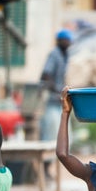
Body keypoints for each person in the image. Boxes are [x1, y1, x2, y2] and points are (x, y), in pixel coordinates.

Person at [40, 28, 73, 178]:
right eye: (65, 40)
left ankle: (52, 170)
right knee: (50, 136)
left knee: (64, 137)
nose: (67, 43)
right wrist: (59, 90)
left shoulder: (66, 55)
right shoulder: (54, 55)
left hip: (61, 103)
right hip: (53, 102)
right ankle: (45, 170)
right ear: (59, 41)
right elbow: (45, 76)